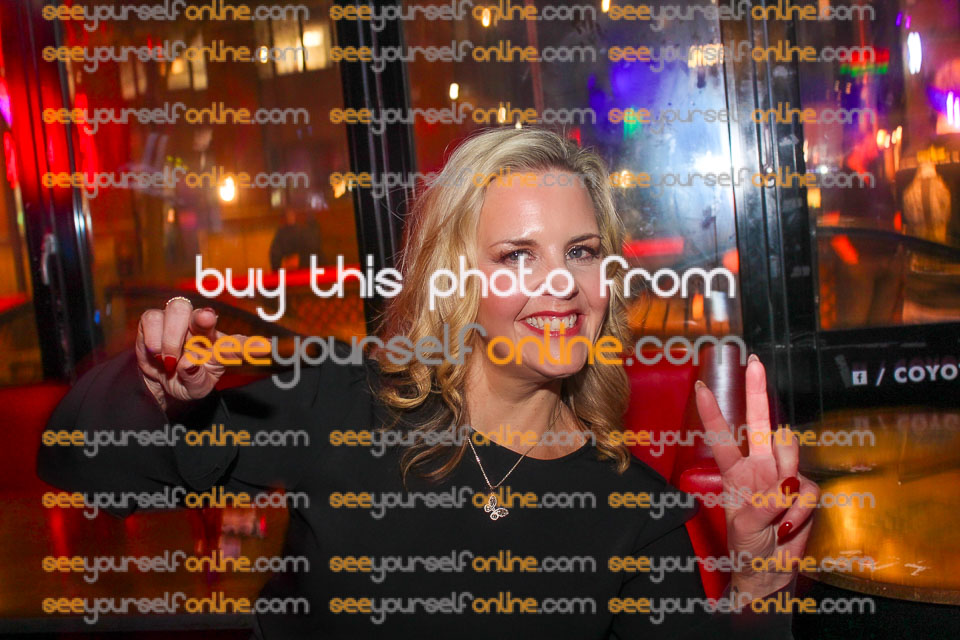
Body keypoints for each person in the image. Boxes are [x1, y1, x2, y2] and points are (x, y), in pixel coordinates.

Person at [38, 128, 819, 639]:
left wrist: (757, 587)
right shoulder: (342, 402)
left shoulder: (630, 509)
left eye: (581, 252)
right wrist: (154, 391)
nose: (562, 284)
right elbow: (76, 461)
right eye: (517, 255)